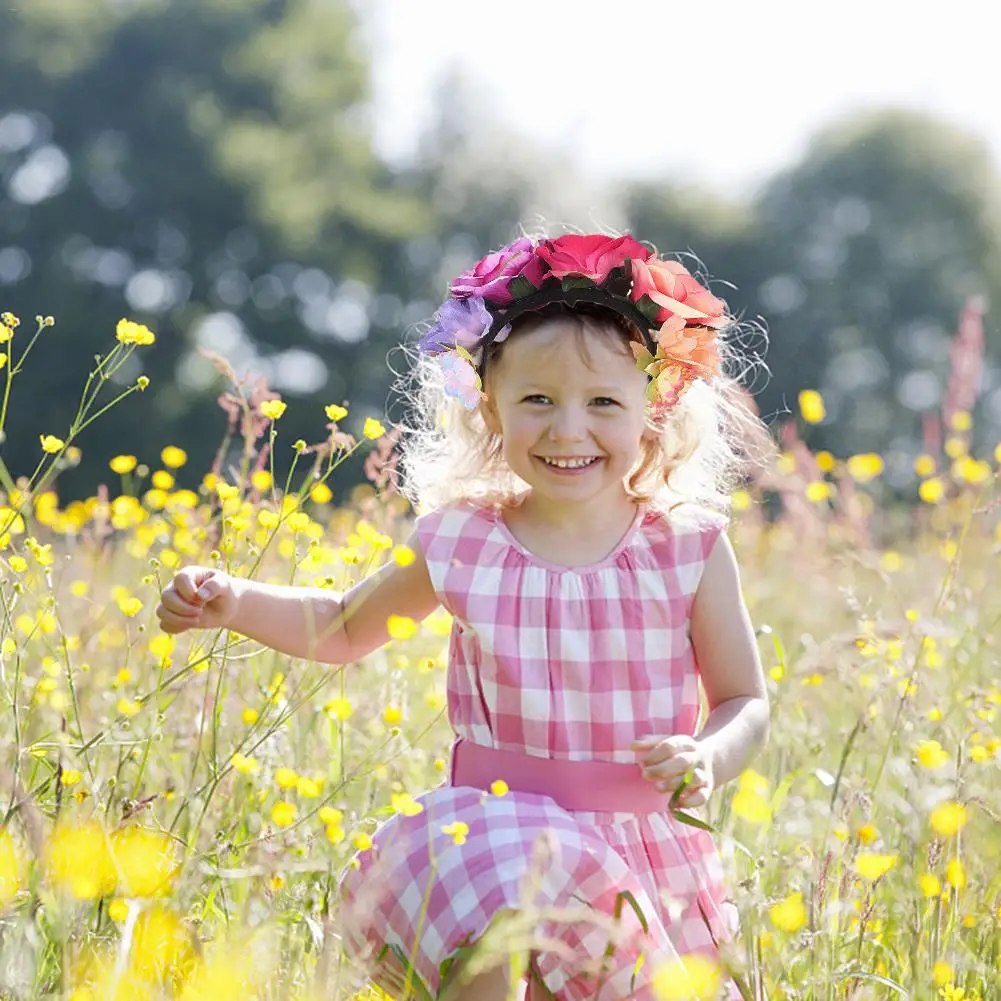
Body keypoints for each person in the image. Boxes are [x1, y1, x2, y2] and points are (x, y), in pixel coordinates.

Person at [156, 232, 770, 1001]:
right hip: (493, 829)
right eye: (536, 399)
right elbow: (345, 626)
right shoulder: (463, 540)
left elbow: (744, 698)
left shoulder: (686, 548)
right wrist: (233, 601)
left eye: (603, 402)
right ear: (489, 407)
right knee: (499, 936)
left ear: (655, 408)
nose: (567, 428)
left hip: (643, 848)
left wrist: (707, 756)